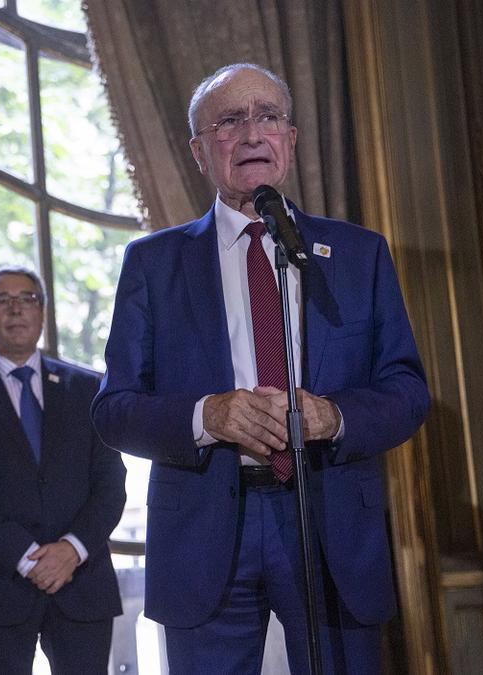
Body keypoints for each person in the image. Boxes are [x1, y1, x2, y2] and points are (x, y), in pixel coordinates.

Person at [91, 63, 430, 674]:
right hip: (206, 527)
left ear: (291, 140)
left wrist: (335, 415)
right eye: (229, 121)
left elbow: (407, 390)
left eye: (268, 116)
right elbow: (114, 410)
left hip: (328, 523)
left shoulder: (357, 254)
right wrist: (206, 416)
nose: (252, 134)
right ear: (199, 152)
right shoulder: (153, 264)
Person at [0, 266, 127, 674]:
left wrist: (71, 550)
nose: (16, 310)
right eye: (2, 301)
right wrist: (27, 557)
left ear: (42, 313)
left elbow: (111, 486)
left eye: (28, 299)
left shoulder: (88, 388)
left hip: (82, 583)